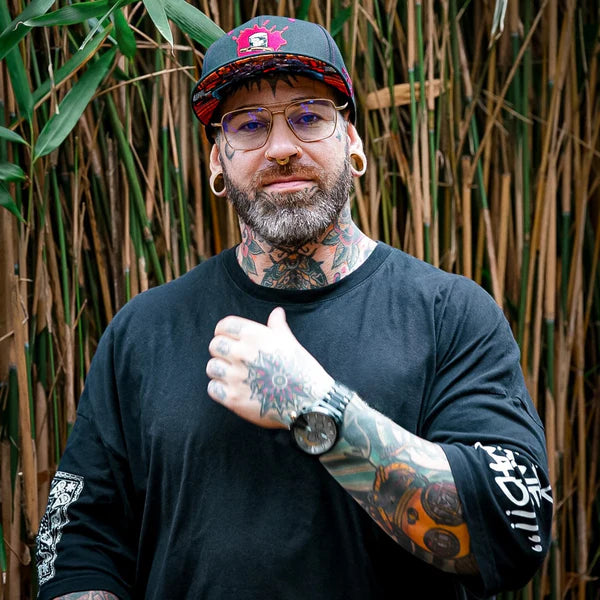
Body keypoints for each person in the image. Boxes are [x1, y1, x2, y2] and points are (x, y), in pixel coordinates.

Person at [36, 15, 553, 600]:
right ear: (217, 161)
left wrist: (313, 407)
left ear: (352, 142)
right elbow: (75, 542)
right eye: (250, 125)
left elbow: (513, 531)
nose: (282, 148)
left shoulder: (449, 315)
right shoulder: (144, 330)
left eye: (309, 117)